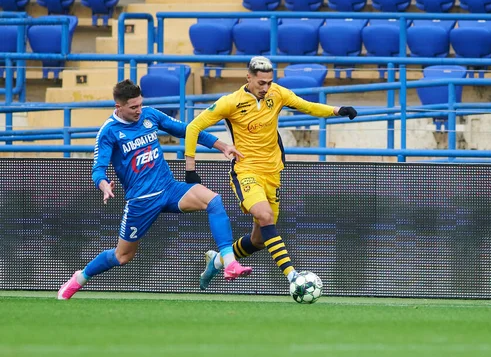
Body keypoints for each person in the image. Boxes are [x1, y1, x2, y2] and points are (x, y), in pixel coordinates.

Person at [57, 79, 252, 300]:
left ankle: (229, 262)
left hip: (169, 188)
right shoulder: (109, 132)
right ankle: (79, 278)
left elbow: (187, 130)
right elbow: (98, 169)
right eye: (133, 107)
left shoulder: (150, 115)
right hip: (141, 201)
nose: (139, 110)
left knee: (213, 200)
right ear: (118, 107)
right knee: (122, 256)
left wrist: (222, 145)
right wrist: (103, 184)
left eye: (140, 104)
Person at [184, 56, 357, 289]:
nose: (266, 88)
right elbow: (194, 127)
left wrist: (338, 110)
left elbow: (307, 105)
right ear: (249, 78)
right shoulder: (230, 102)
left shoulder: (277, 93)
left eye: (269, 82)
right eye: (261, 83)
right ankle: (293, 276)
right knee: (265, 217)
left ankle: (217, 261)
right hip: (246, 171)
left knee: (259, 240)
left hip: (273, 174)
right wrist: (190, 168)